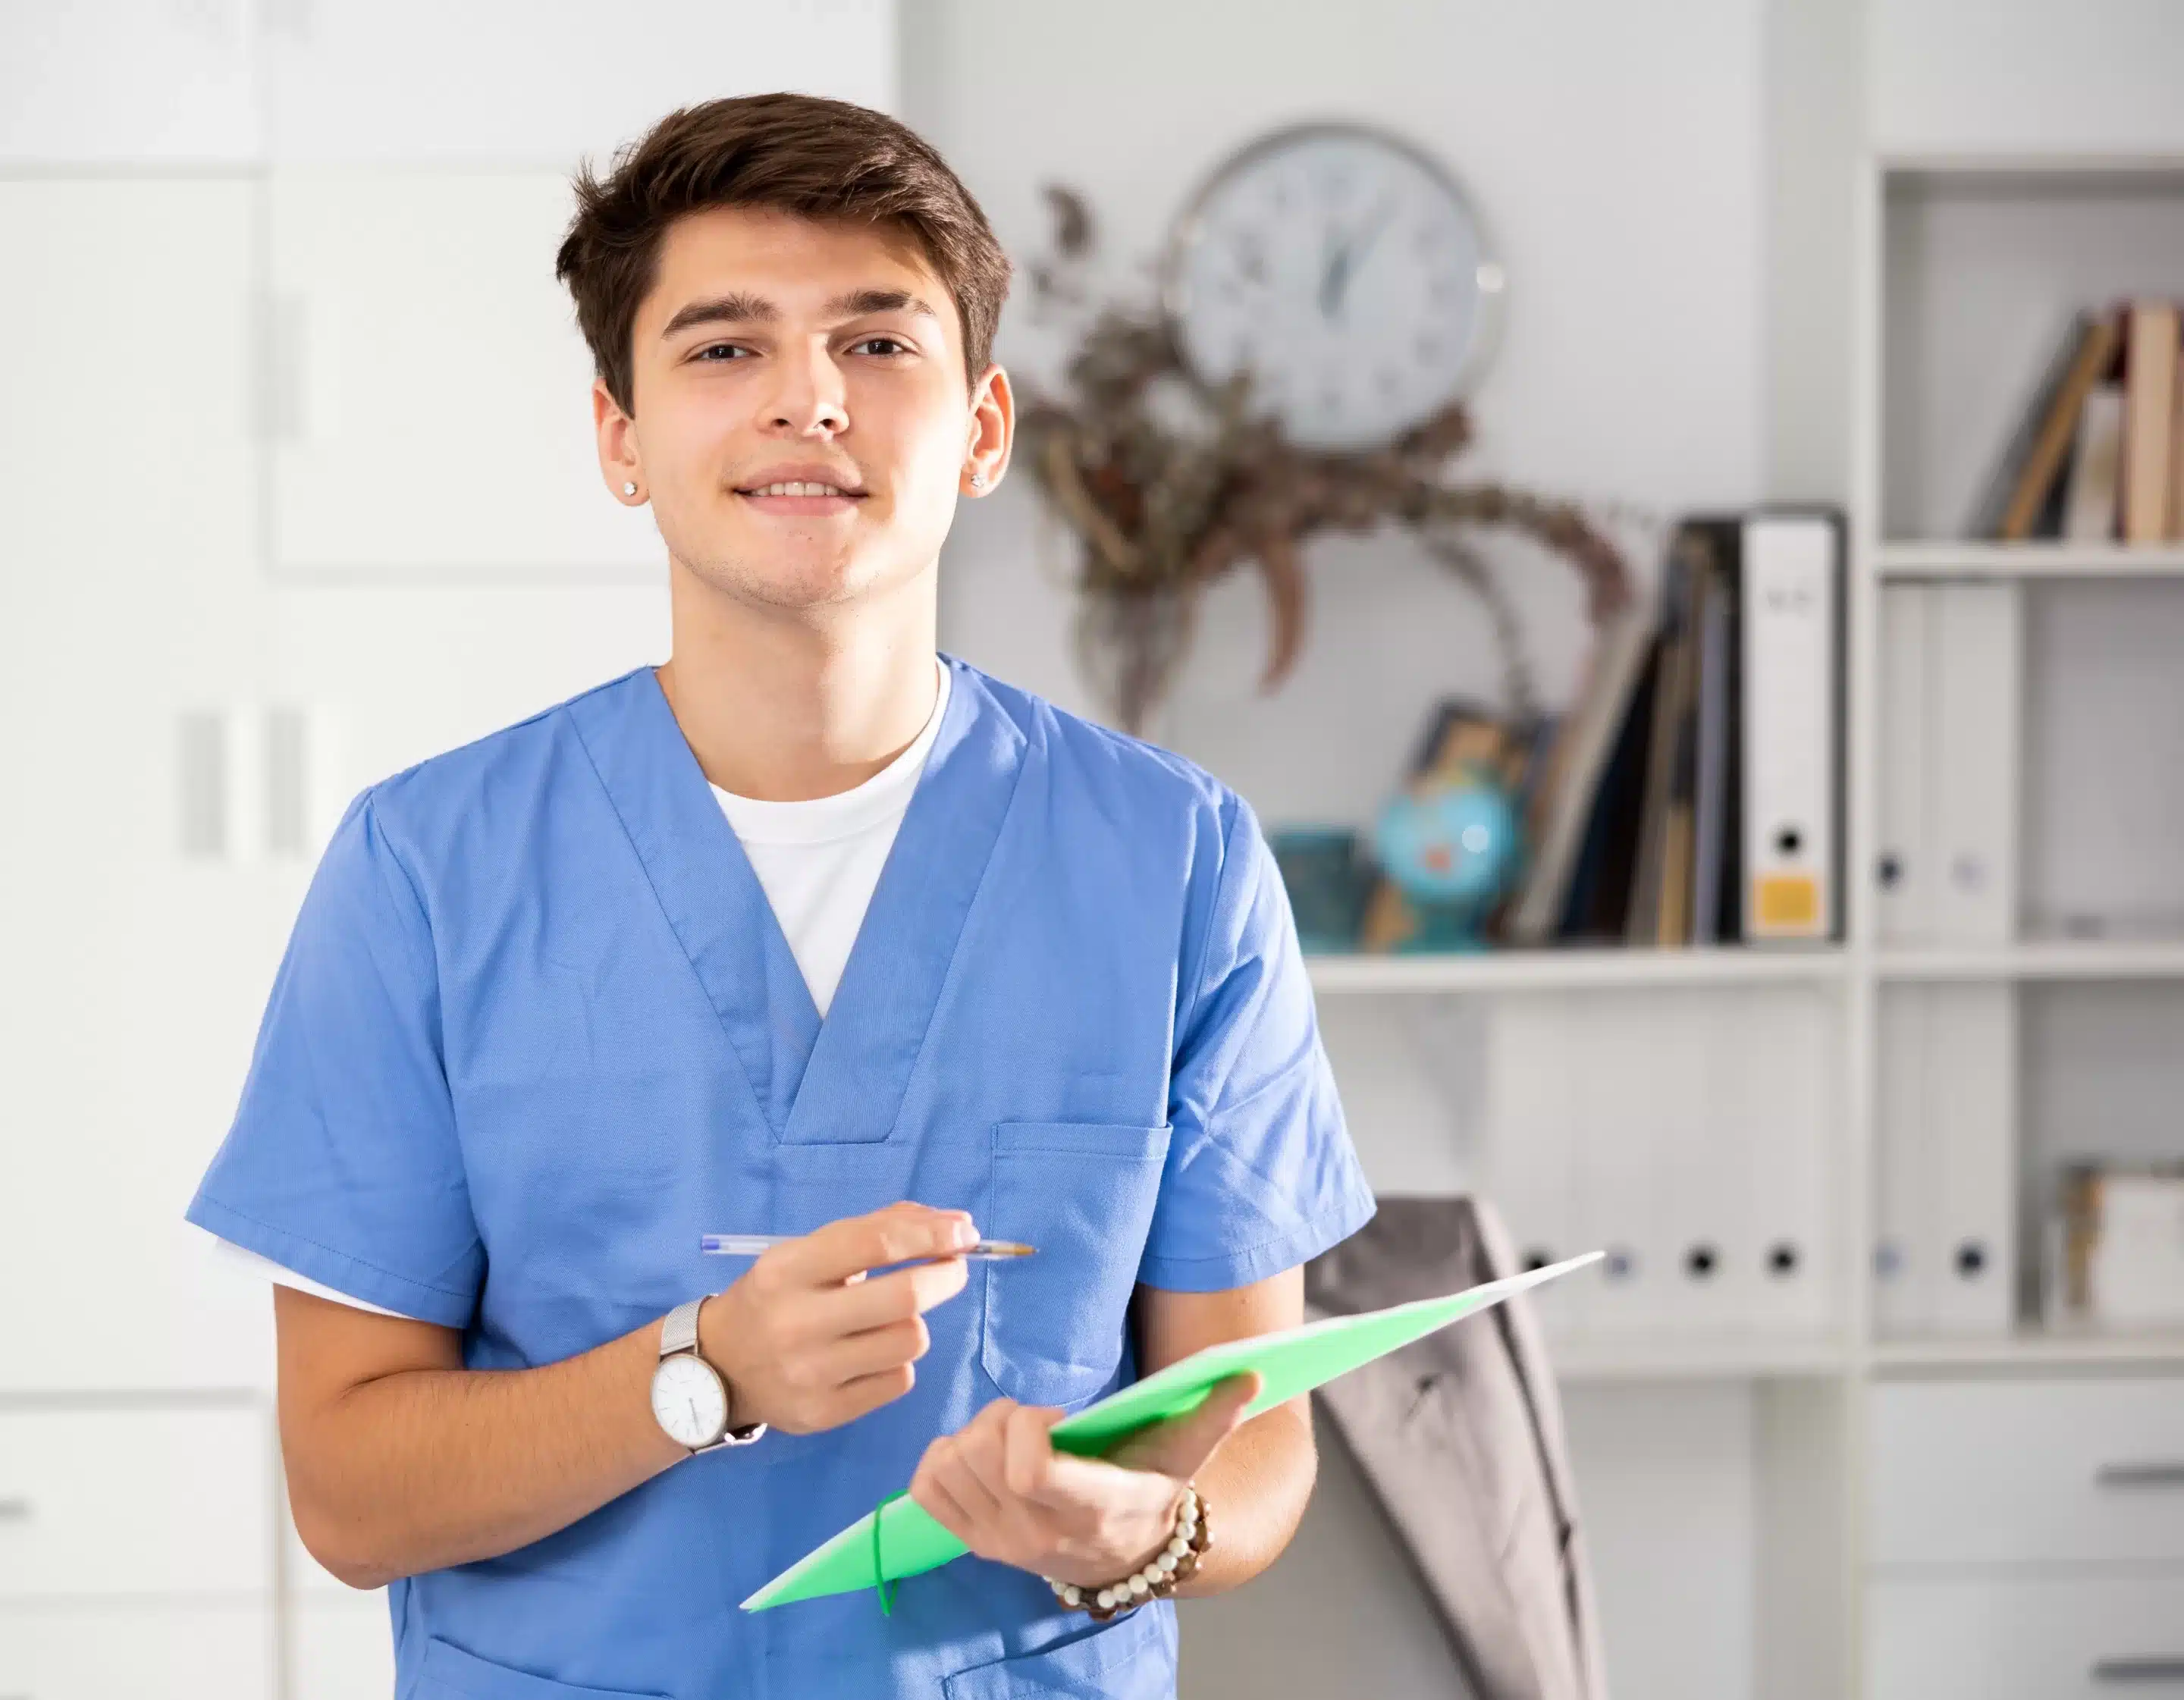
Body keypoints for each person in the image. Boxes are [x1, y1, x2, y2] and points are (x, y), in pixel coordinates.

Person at [185, 91, 1375, 1700]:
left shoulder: (1173, 860)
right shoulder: (430, 870)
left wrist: (1140, 1530)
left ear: (983, 426)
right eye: (725, 347)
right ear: (620, 434)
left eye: (879, 345)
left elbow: (1255, 1432)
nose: (808, 399)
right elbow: (347, 1486)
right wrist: (702, 1373)